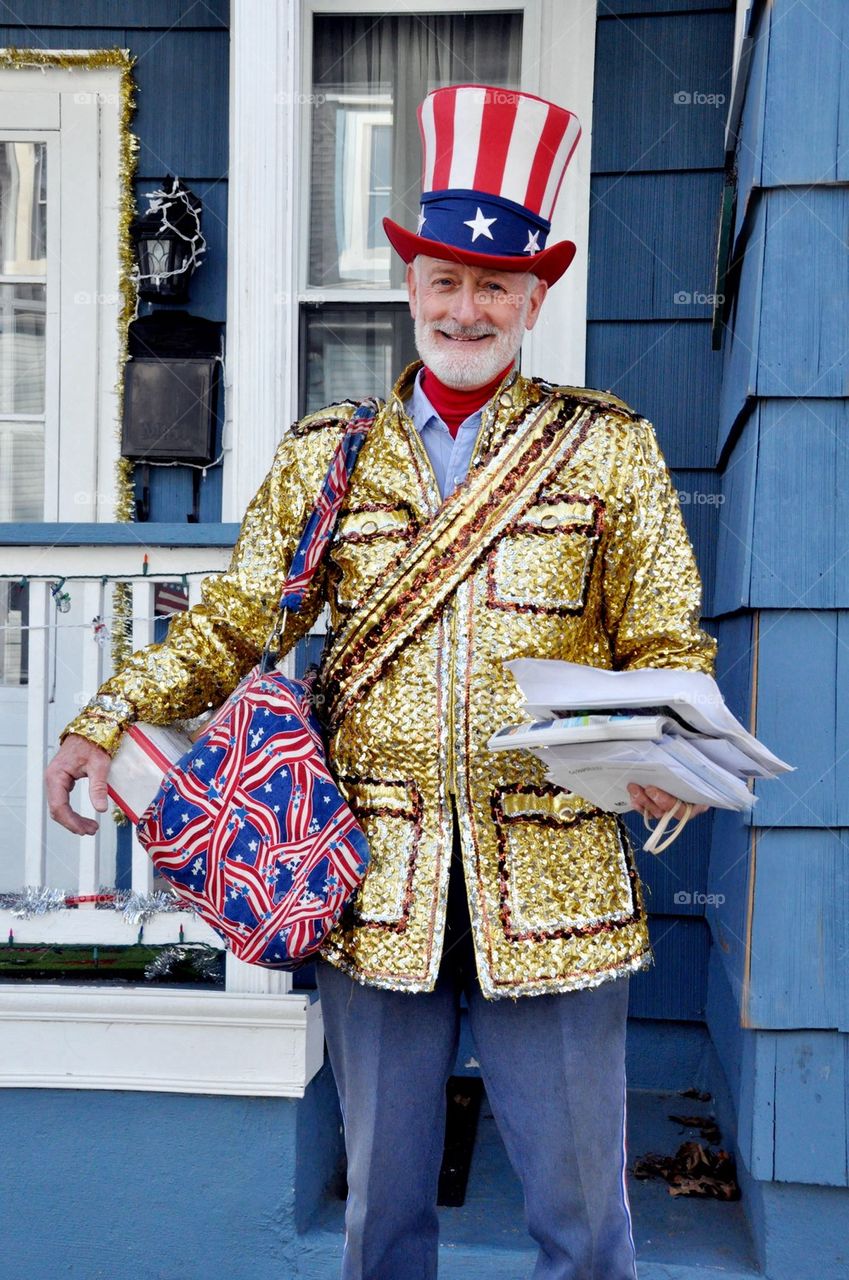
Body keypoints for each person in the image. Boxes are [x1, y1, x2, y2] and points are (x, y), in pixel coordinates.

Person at [47, 85, 715, 1280]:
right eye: (446, 280)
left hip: (556, 878)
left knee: (586, 1228)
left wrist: (668, 752)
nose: (468, 308)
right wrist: (107, 717)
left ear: (535, 296)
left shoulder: (607, 443)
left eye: (495, 284)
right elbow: (236, 623)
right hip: (375, 880)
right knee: (381, 1221)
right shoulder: (328, 452)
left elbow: (668, 640)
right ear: (411, 285)